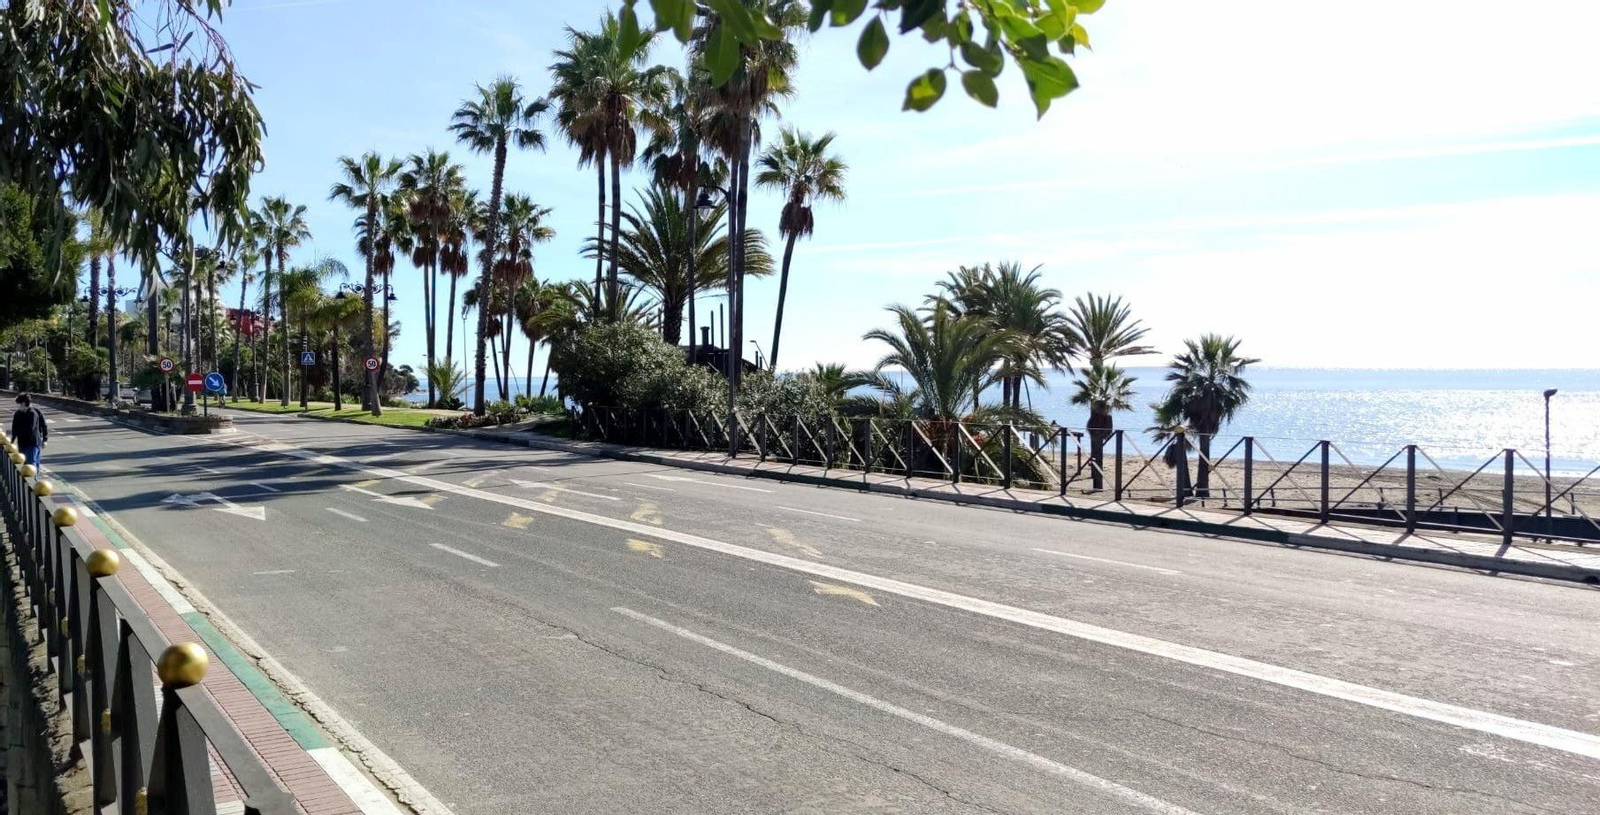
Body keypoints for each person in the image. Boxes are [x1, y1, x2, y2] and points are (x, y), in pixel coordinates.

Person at [11, 393, 47, 467]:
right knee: (25, 464)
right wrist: (12, 441)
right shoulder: (17, 414)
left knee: (31, 464)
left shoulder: (33, 413)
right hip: (22, 443)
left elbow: (31, 429)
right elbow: (14, 427)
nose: (17, 406)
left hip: (32, 443)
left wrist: (45, 439)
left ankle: (35, 477)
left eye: (18, 404)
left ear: (23, 403)